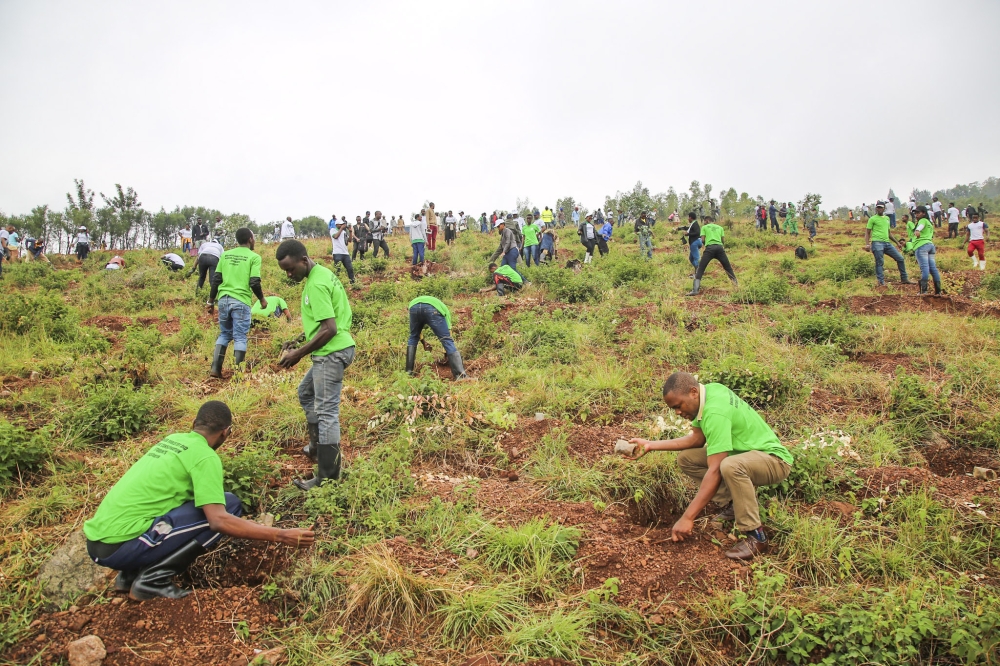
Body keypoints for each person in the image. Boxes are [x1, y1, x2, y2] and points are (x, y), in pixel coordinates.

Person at [83, 400, 314, 601]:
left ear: (194, 423)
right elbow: (218, 521)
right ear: (226, 432)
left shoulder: (172, 441)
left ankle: (129, 575)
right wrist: (281, 535)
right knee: (229, 507)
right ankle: (152, 581)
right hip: (120, 546)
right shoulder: (205, 456)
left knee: (210, 504)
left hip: (99, 541)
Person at [627, 372, 792, 560]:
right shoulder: (710, 392)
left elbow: (715, 470)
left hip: (774, 460)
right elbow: (697, 439)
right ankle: (733, 503)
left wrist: (688, 517)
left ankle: (755, 535)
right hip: (745, 454)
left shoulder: (715, 412)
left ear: (693, 392)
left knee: (729, 466)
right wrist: (650, 445)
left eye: (678, 406)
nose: (678, 413)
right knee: (687, 459)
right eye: (674, 409)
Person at [275, 240, 355, 486]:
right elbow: (325, 320)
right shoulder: (321, 274)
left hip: (331, 352)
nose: (289, 275)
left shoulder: (317, 284)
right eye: (285, 271)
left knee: (327, 412)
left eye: (291, 269)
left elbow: (329, 329)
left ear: (303, 259)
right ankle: (316, 447)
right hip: (336, 347)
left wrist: (298, 353)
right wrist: (299, 339)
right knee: (306, 392)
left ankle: (327, 477)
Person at [208, 228, 265, 377]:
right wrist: (262, 299)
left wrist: (210, 301)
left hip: (223, 300)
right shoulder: (254, 257)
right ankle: (238, 373)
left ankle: (215, 369)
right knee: (240, 336)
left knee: (224, 334)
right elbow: (254, 282)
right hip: (241, 301)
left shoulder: (225, 255)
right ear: (251, 239)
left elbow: (216, 280)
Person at [406, 295, 468, 379]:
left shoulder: (416, 304)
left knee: (413, 337)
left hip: (413, 306)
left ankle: (408, 373)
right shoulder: (443, 309)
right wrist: (446, 352)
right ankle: (460, 376)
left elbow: (416, 333)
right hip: (431, 308)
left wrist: (423, 342)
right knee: (446, 339)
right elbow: (448, 331)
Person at [864, 202, 912, 287]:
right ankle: (881, 282)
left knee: (900, 258)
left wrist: (897, 243)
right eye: (878, 207)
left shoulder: (887, 218)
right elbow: (867, 232)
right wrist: (867, 244)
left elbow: (889, 233)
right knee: (880, 262)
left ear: (884, 209)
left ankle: (904, 279)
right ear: (876, 208)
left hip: (887, 243)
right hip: (877, 242)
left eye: (881, 207)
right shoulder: (872, 219)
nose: (879, 209)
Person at [686, 216, 737, 296]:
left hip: (709, 249)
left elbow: (702, 240)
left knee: (701, 269)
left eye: (704, 221)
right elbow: (723, 240)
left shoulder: (704, 227)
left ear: (707, 220)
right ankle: (736, 287)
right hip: (720, 249)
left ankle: (695, 290)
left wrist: (707, 244)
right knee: (728, 268)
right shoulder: (720, 228)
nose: (704, 222)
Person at [911, 205, 942, 295]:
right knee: (933, 269)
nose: (916, 215)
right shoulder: (929, 223)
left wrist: (917, 230)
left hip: (921, 246)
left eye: (918, 213)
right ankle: (938, 291)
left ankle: (923, 291)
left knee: (924, 268)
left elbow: (920, 227)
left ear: (924, 213)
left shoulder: (923, 220)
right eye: (915, 213)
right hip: (930, 245)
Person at [330, 218, 356, 285]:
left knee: (350, 268)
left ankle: (353, 283)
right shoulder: (333, 230)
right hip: (337, 253)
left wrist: (350, 232)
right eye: (341, 224)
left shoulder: (344, 232)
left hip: (345, 253)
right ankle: (335, 284)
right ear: (337, 224)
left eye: (343, 224)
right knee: (337, 269)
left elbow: (349, 241)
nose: (343, 226)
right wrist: (341, 229)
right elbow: (335, 236)